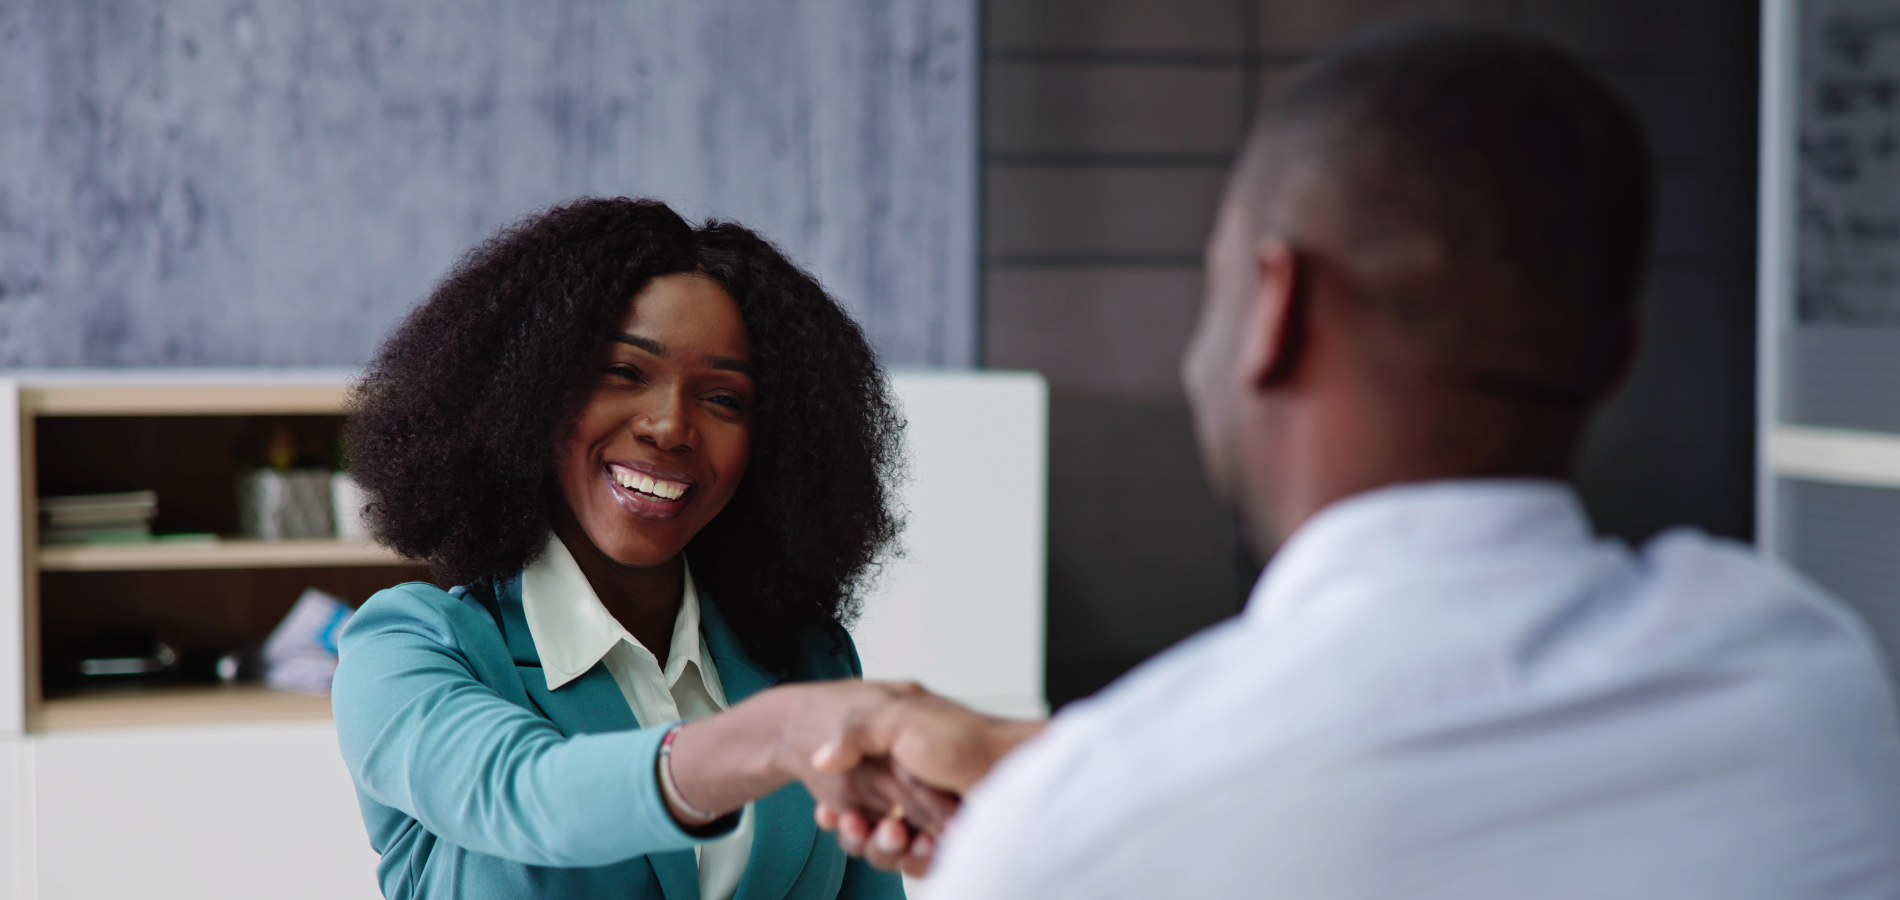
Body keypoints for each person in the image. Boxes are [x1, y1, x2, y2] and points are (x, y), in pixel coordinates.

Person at [811, 23, 1900, 898]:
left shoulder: (1082, 840)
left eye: (1214, 283)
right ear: (1616, 358)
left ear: (1273, 309)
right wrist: (1039, 766)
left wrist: (1047, 805)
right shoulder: (1809, 676)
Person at [332, 198, 948, 899]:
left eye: (723, 399)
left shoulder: (810, 658)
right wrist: (774, 738)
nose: (669, 425)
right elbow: (527, 794)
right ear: (531, 391)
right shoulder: (412, 648)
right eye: (624, 373)